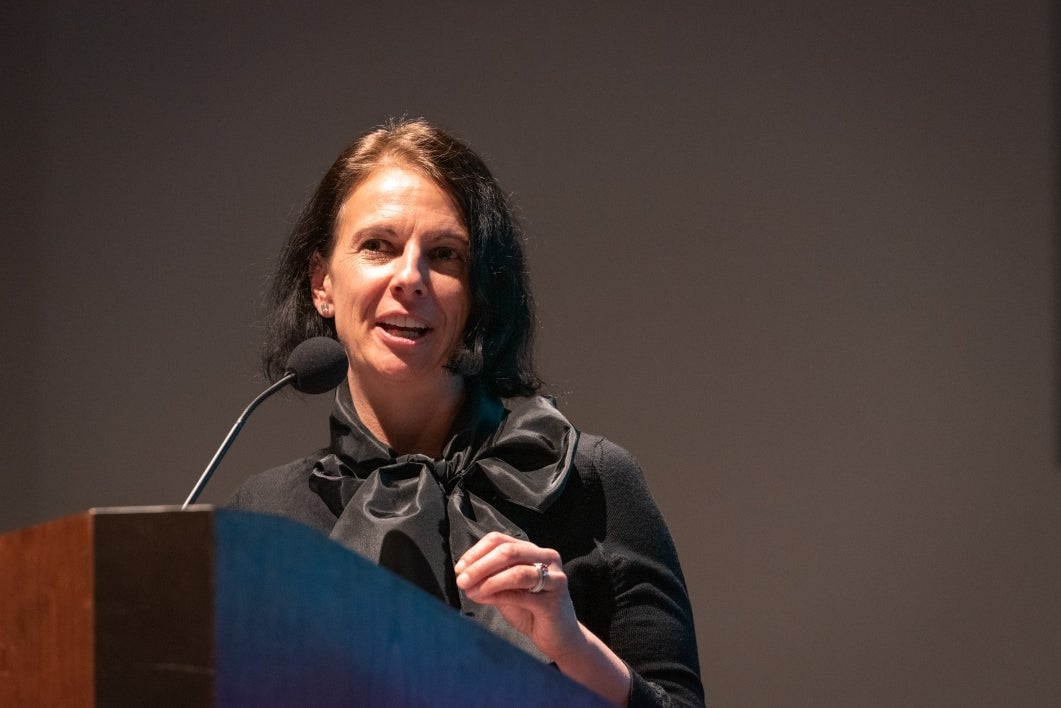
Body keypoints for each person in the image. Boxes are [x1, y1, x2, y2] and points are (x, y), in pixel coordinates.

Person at [228, 118, 705, 707]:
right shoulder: (266, 513)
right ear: (322, 282)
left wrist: (573, 648)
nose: (410, 277)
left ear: (478, 292)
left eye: (445, 254)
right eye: (378, 245)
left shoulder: (589, 481)